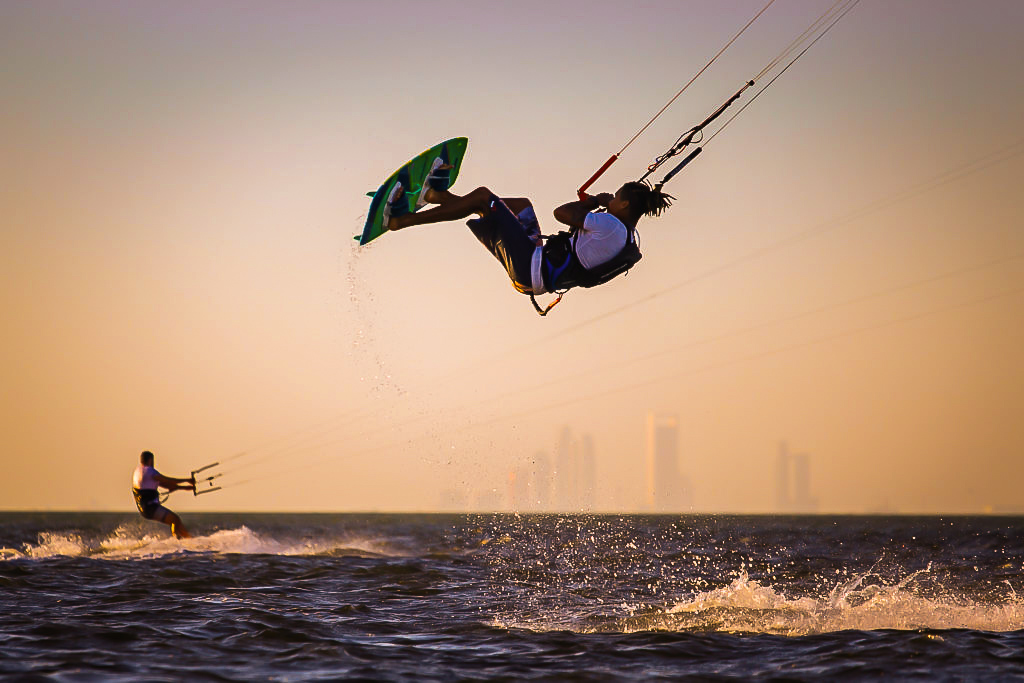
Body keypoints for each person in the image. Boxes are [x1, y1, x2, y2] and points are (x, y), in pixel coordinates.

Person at [385, 172, 673, 301]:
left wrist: (593, 201)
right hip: (537, 268)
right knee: (520, 206)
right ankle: (438, 196)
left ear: (623, 204)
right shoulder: (628, 237)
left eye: (616, 197)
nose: (612, 200)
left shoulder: (611, 225)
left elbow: (562, 212)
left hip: (530, 266)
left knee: (486, 198)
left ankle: (401, 220)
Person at [131, 450, 195, 539]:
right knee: (175, 520)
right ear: (150, 460)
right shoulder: (149, 471)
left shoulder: (138, 472)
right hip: (150, 508)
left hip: (144, 509)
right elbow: (167, 480)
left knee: (176, 521)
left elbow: (166, 485)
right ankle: (177, 541)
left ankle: (189, 539)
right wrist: (187, 480)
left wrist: (184, 488)